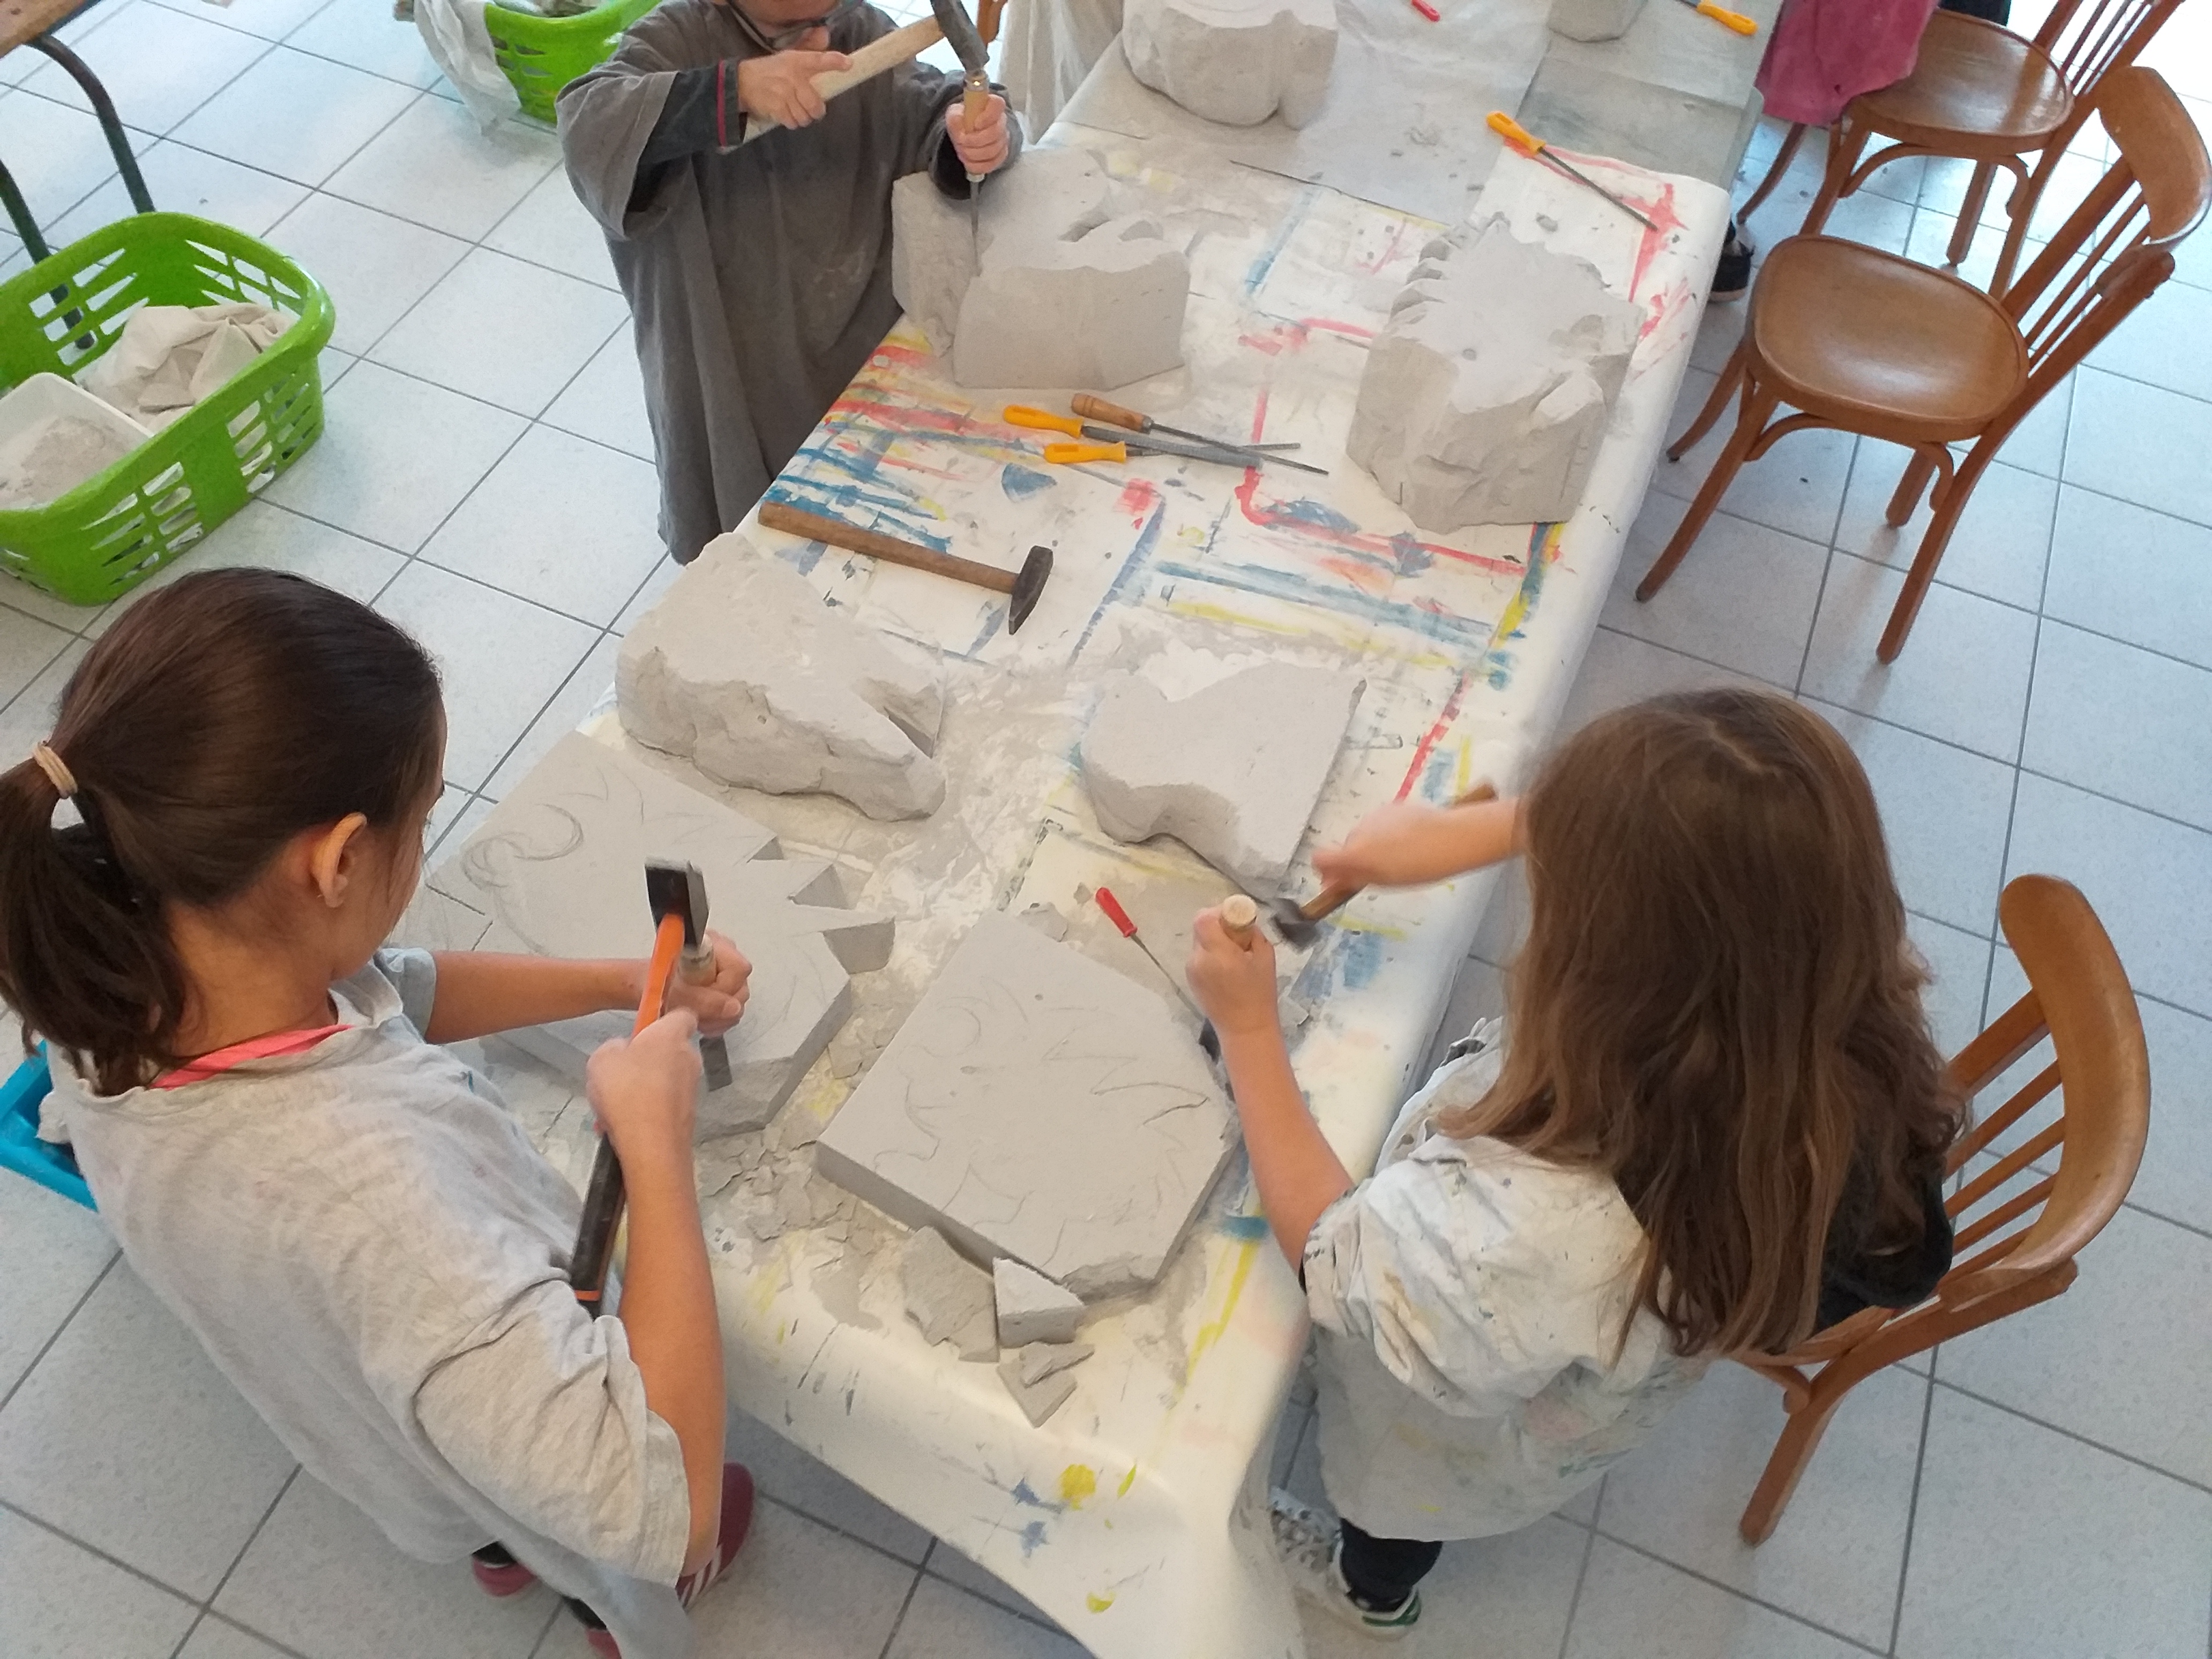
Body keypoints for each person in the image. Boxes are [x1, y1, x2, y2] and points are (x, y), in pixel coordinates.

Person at [0, 570, 755, 1659]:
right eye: (427, 814)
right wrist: (655, 1139)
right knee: (585, 1526)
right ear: (341, 859)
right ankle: (589, 1598)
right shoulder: (380, 1210)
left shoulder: (115, 965)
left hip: (364, 1406)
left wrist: (620, 984)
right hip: (475, 1413)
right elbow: (660, 1494)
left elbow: (400, 985)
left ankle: (498, 1543)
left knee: (470, 1469)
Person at [1184, 689, 1962, 1639]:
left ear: (1613, 968)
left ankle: (1371, 1592)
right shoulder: (1817, 1007)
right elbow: (1714, 867)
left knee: (1390, 1505)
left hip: (1459, 1424)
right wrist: (1477, 832)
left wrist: (1251, 1032)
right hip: (1576, 1331)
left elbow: (1336, 1258)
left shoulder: (1544, 1230)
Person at [558, 0, 1022, 565]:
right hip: (727, 371)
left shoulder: (860, 33)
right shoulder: (677, 39)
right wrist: (730, 92)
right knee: (743, 564)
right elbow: (590, 125)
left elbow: (938, 108)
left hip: (851, 361)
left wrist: (971, 137)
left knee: (863, 544)